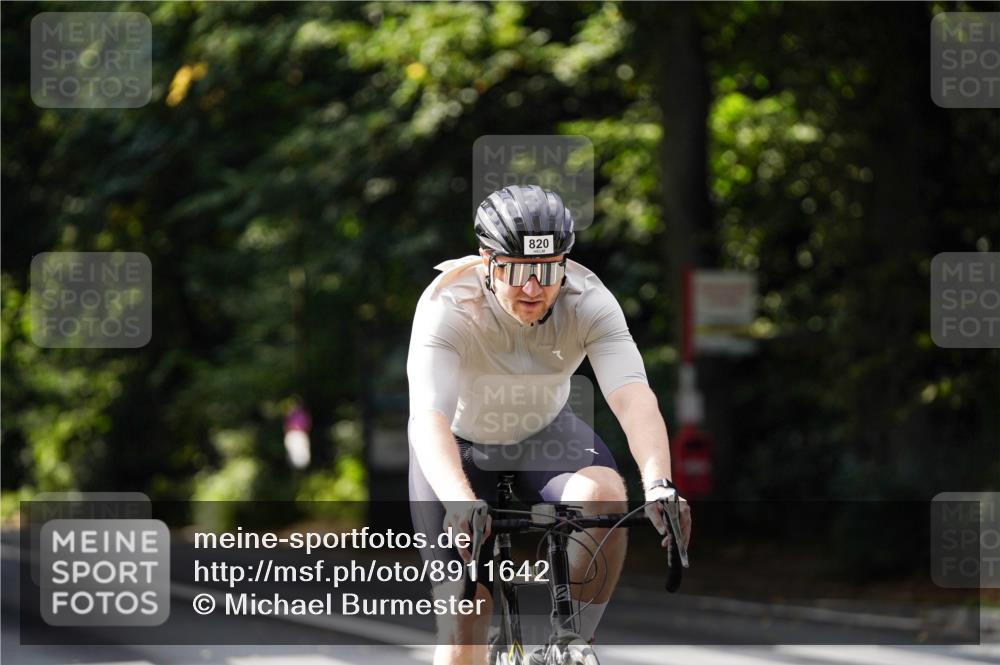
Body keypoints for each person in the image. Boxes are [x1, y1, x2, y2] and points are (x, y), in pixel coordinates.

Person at [407, 184, 691, 665]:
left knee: (603, 495)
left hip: (544, 432)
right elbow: (429, 414)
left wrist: (660, 483)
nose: (534, 288)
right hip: (457, 446)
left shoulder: (589, 300)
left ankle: (573, 641)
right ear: (486, 262)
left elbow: (631, 394)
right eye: (517, 271)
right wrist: (458, 501)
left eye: (547, 269)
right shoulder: (445, 307)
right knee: (464, 617)